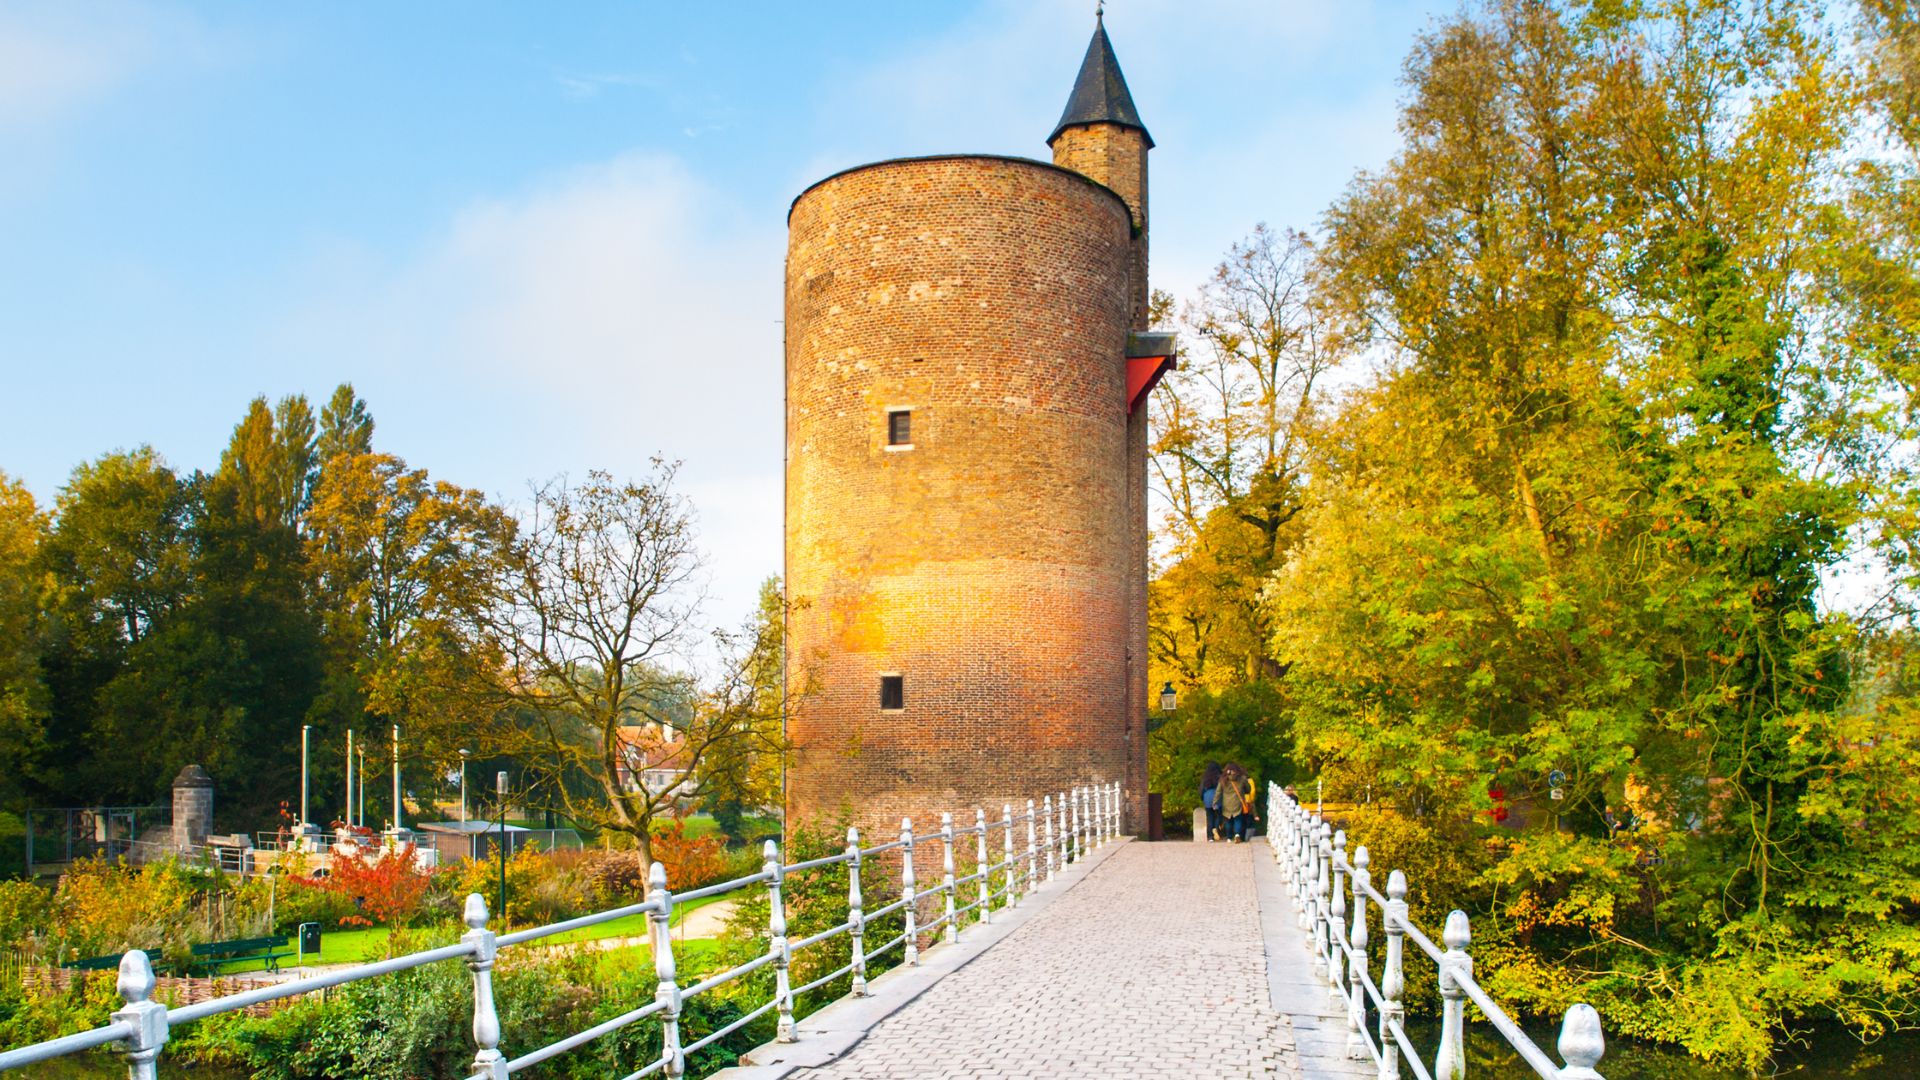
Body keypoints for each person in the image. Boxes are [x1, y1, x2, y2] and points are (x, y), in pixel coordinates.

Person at [1218, 763, 1247, 842]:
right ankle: (1237, 834)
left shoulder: (1223, 780)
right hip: (1238, 802)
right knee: (1238, 819)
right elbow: (1248, 789)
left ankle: (1229, 837)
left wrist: (1215, 802)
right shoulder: (1242, 779)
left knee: (1228, 820)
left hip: (1226, 803)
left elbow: (1218, 792)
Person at [1200, 762, 1222, 842]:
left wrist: (1203, 798)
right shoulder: (1220, 777)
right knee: (1218, 816)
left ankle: (1210, 837)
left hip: (1207, 798)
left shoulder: (1205, 778)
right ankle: (1216, 829)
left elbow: (1201, 790)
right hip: (1217, 798)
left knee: (1210, 817)